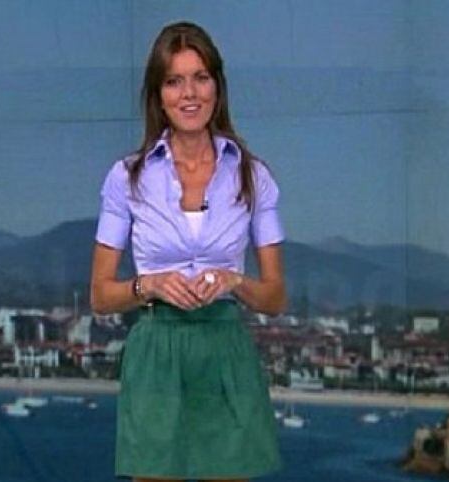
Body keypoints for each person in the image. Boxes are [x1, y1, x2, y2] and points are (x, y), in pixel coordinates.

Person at [90, 21, 286, 482]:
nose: (189, 93)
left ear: (217, 87)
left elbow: (276, 298)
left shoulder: (254, 177)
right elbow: (100, 296)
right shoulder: (126, 178)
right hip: (156, 352)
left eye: (200, 77)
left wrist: (234, 280)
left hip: (224, 352)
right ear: (158, 96)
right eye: (174, 81)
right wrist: (150, 285)